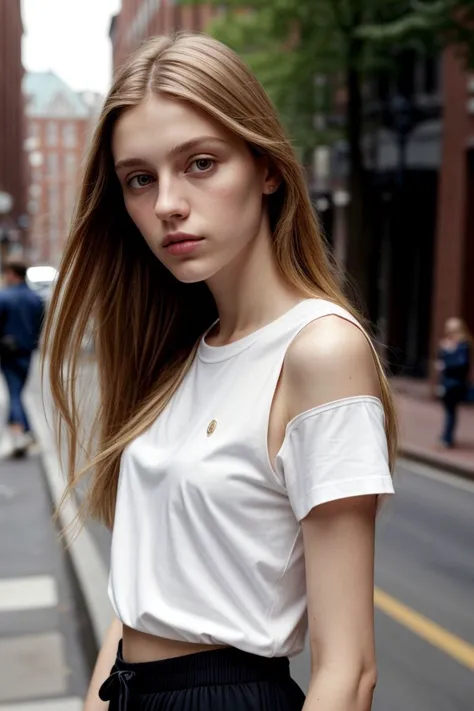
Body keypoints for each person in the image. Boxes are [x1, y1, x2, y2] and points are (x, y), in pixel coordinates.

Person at [43, 33, 397, 711]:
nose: (167, 203)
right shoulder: (177, 351)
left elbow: (348, 670)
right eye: (139, 179)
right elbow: (142, 594)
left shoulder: (319, 351)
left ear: (265, 167)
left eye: (200, 163)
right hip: (128, 689)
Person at [0, 258, 44, 457]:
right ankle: (26, 431)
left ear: (12, 274)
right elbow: (40, 324)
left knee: (15, 392)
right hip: (27, 352)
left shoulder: (4, 297)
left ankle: (20, 433)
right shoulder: (36, 298)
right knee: (19, 390)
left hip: (7, 352)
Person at [436, 317, 471, 449]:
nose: (450, 333)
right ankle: (446, 436)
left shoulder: (463, 345)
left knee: (451, 411)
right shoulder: (447, 343)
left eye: (453, 330)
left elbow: (461, 364)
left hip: (456, 384)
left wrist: (448, 356)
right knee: (449, 411)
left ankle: (447, 438)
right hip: (446, 383)